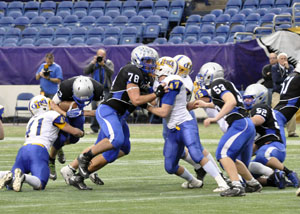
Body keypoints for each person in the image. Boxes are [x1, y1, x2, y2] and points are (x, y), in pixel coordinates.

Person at [62, 45, 165, 190]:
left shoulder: (144, 78)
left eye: (152, 61)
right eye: (147, 61)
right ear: (137, 60)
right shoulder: (132, 70)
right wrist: (157, 93)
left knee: (122, 148)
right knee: (115, 140)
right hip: (109, 111)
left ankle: (78, 176)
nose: (151, 65)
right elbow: (136, 100)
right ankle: (84, 158)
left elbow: (153, 102)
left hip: (119, 117)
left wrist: (157, 86)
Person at [147, 56, 229, 192]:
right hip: (172, 128)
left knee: (196, 153)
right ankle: (194, 181)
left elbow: (163, 112)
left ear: (164, 69)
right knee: (170, 167)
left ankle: (222, 182)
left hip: (185, 123)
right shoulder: (162, 82)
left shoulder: (174, 81)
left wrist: (146, 106)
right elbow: (161, 102)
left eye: (157, 68)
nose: (154, 70)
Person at [195, 62, 262, 197]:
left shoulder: (217, 84)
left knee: (223, 154)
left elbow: (231, 102)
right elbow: (224, 101)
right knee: (229, 157)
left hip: (239, 123)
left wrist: (215, 118)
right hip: (245, 123)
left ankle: (236, 186)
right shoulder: (224, 84)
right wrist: (207, 104)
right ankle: (253, 183)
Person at [0, 95, 84, 192]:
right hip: (38, 151)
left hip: (23, 150)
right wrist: (81, 132)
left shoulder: (31, 120)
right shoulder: (52, 115)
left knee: (11, 185)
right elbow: (74, 132)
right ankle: (24, 177)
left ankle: (7, 174)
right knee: (40, 183)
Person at [243, 83, 299, 189]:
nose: (247, 101)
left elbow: (258, 120)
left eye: (250, 98)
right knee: (245, 173)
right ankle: (275, 179)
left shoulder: (260, 107)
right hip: (265, 146)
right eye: (246, 98)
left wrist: (241, 123)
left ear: (260, 97)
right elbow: (257, 143)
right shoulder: (250, 114)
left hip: (275, 145)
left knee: (262, 155)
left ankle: (289, 173)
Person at [48, 75, 103, 181]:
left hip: (79, 112)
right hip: (63, 109)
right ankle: (51, 160)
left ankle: (58, 147)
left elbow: (103, 111)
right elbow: (52, 104)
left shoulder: (98, 89)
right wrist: (65, 113)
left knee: (75, 138)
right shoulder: (66, 87)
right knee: (61, 138)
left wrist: (81, 112)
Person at [84, 48, 114, 134]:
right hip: (95, 89)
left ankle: (105, 128)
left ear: (105, 56)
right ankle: (94, 129)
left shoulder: (108, 63)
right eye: (99, 56)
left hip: (106, 89)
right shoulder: (94, 63)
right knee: (94, 107)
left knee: (105, 108)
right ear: (96, 55)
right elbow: (86, 71)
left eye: (102, 56)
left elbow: (111, 72)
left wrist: (103, 65)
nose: (100, 57)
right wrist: (93, 62)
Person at [271, 52, 297, 137]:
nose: (283, 60)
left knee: (291, 109)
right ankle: (274, 130)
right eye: (281, 59)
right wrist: (286, 79)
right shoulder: (274, 68)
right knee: (275, 110)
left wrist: (288, 69)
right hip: (278, 92)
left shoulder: (291, 68)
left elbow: (293, 79)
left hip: (289, 93)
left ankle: (291, 131)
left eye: (285, 58)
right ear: (278, 60)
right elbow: (276, 80)